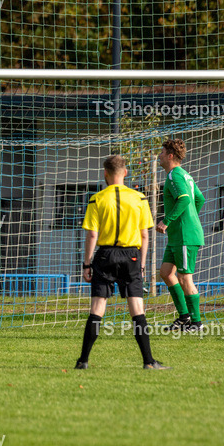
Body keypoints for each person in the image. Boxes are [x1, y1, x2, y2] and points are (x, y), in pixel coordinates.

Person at [78, 155, 168, 370]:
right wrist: (142, 264)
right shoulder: (139, 198)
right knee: (137, 308)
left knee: (97, 308)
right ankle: (148, 361)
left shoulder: (97, 199)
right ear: (125, 173)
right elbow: (145, 235)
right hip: (132, 256)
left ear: (105, 174)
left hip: (105, 255)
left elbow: (92, 234)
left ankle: (83, 361)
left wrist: (87, 263)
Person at [156, 139, 205, 331]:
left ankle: (197, 323)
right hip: (179, 235)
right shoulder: (185, 175)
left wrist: (168, 220)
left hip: (184, 236)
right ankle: (184, 317)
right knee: (166, 273)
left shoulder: (174, 176)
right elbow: (199, 198)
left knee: (185, 278)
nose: (158, 156)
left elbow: (184, 199)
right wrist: (191, 217)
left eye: (161, 152)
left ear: (170, 156)